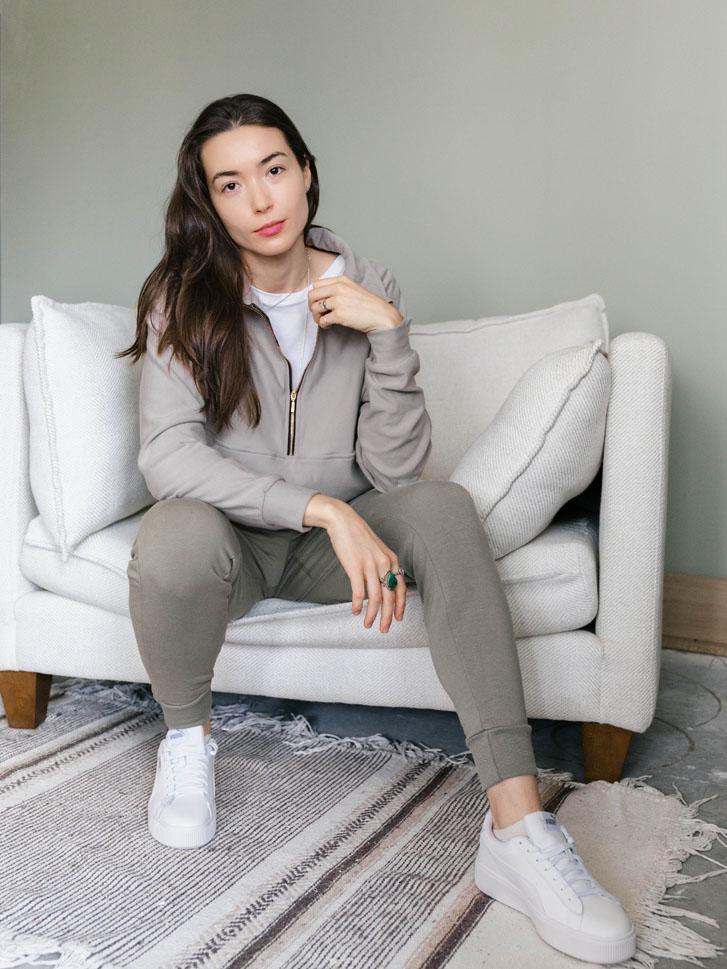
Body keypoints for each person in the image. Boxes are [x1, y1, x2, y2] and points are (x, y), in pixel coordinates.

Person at [116, 93, 635, 964]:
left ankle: (517, 827)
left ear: (307, 171)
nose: (262, 199)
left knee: (441, 506)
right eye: (231, 183)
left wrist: (389, 337)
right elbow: (168, 458)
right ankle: (185, 736)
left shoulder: (368, 283)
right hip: (234, 541)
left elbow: (395, 475)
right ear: (210, 202)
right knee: (168, 535)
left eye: (274, 169)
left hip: (342, 545)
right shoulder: (180, 297)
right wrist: (317, 507)